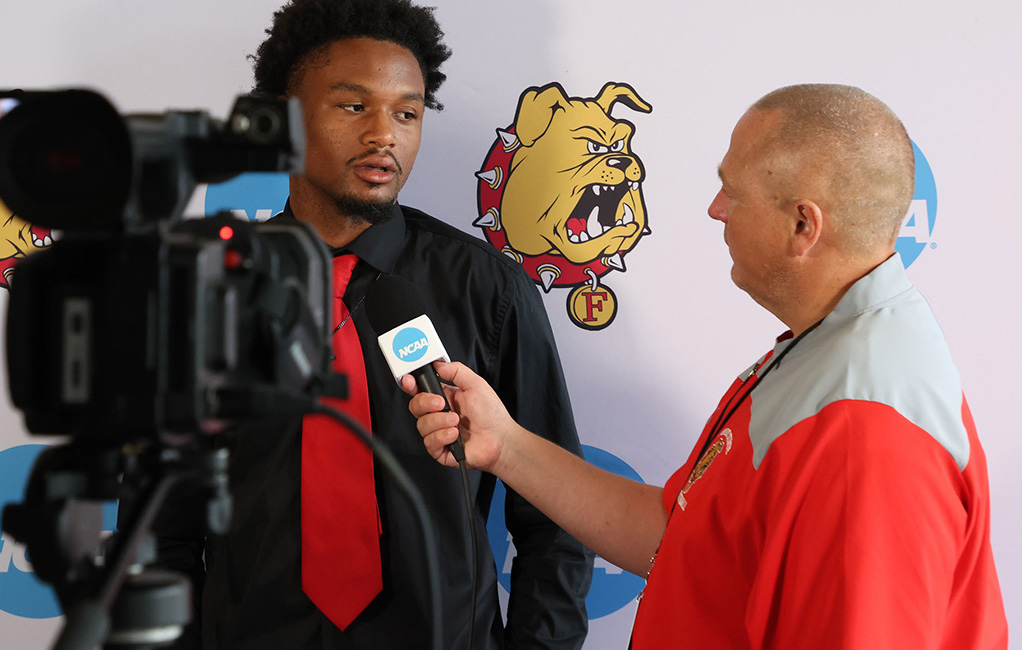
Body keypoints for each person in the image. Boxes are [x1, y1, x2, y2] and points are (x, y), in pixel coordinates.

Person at [406, 84, 1009, 649]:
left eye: (734, 191)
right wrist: (503, 444)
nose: (716, 209)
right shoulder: (826, 351)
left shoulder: (862, 434)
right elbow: (682, 538)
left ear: (803, 225)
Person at [152, 1, 593, 649]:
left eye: (407, 112)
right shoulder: (206, 289)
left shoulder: (489, 291)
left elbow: (557, 518)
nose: (385, 134)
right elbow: (168, 526)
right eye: (353, 106)